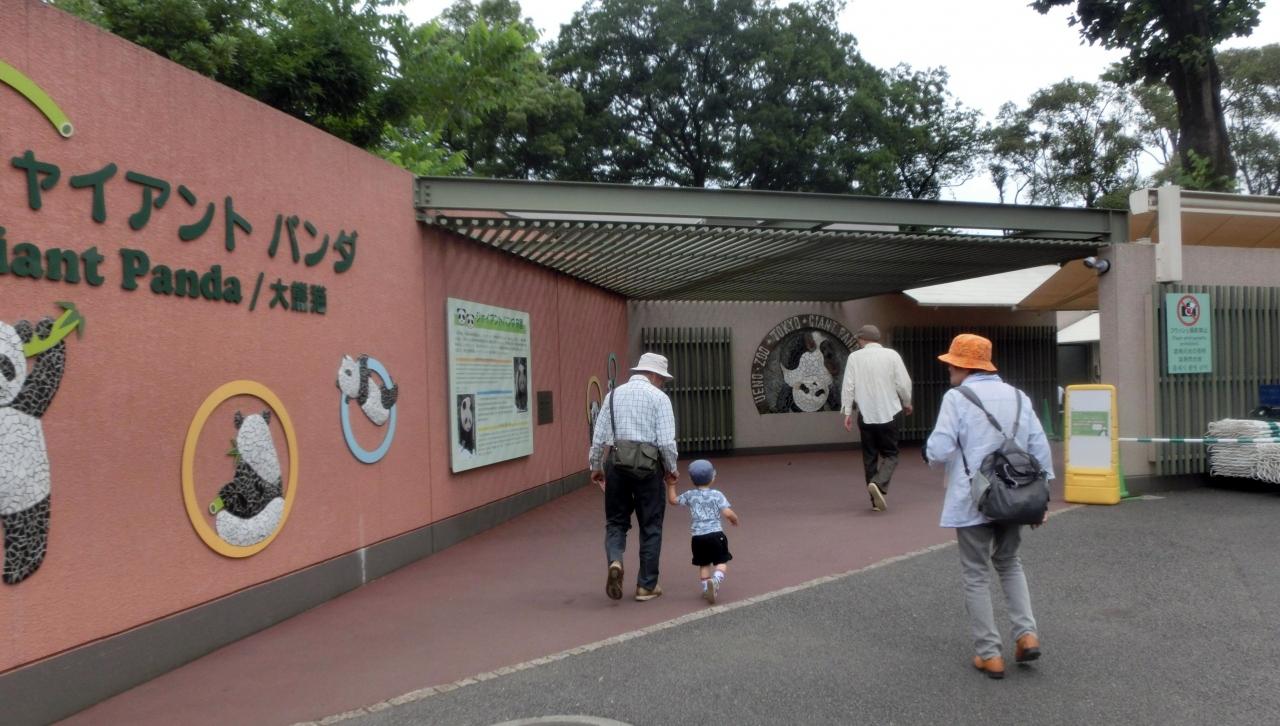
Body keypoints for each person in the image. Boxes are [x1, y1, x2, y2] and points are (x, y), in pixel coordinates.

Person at [923, 333, 1053, 680]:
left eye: (952, 364)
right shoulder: (1019, 396)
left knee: (976, 574)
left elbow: (939, 450)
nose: (949, 369)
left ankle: (989, 653)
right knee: (1010, 563)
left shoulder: (957, 398)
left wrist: (930, 454)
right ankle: (1026, 635)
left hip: (973, 499)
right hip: (1016, 496)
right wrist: (1041, 499)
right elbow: (1039, 448)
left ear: (965, 367)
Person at [589, 352, 679, 602]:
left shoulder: (613, 395)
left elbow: (598, 437)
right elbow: (666, 442)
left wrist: (596, 466)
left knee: (616, 522)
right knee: (651, 525)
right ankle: (646, 586)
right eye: (662, 379)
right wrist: (671, 469)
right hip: (649, 468)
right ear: (654, 375)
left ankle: (615, 561)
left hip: (617, 464)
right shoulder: (659, 398)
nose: (663, 383)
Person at [839, 325, 913, 512]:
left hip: (865, 414)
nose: (858, 341)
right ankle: (879, 483)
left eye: (859, 339)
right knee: (891, 454)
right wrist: (907, 402)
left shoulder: (854, 358)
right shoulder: (892, 355)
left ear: (863, 339)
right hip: (889, 412)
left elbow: (848, 386)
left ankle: (875, 501)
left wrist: (847, 412)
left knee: (869, 457)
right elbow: (903, 383)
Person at [666, 459, 738, 604]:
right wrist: (734, 519)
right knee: (722, 561)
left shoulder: (690, 495)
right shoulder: (717, 494)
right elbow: (727, 512)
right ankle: (716, 580)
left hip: (698, 538)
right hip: (716, 535)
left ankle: (706, 588)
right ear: (712, 478)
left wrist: (671, 485)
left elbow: (673, 500)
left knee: (704, 564)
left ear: (692, 479)